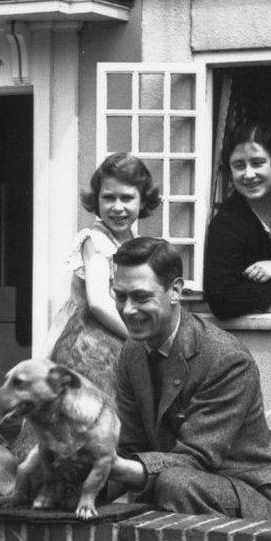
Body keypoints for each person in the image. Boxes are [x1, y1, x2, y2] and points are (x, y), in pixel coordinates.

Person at [107, 237, 271, 520]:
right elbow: (128, 447)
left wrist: (117, 467)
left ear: (175, 291)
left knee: (174, 484)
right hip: (180, 491)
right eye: (120, 296)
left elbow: (197, 459)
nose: (127, 310)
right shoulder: (132, 352)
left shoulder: (226, 359)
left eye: (140, 297)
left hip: (255, 504)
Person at [40, 152, 161, 392]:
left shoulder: (134, 242)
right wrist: (141, 339)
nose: (117, 207)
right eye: (108, 198)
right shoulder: (95, 242)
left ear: (143, 200)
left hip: (113, 340)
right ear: (97, 201)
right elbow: (98, 303)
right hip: (87, 344)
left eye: (127, 198)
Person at [203, 123, 271, 319]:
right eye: (239, 165)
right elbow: (221, 301)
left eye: (257, 163)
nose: (248, 174)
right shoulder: (226, 224)